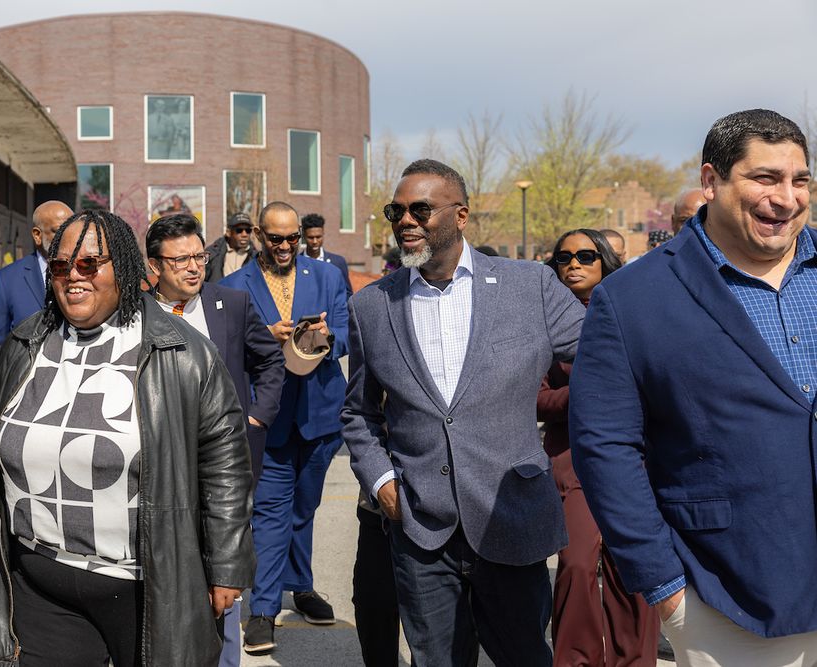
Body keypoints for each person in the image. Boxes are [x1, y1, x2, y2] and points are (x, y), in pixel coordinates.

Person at [569, 109, 817, 667]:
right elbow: (604, 446)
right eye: (765, 178)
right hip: (726, 596)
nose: (787, 197)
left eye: (799, 180)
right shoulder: (633, 298)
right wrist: (666, 587)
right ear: (711, 182)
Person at [0, 209, 255, 667]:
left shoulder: (183, 352)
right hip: (37, 580)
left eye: (90, 264)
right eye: (60, 266)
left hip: (144, 586)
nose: (73, 276)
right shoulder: (25, 343)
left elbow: (225, 466)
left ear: (127, 269)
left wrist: (226, 565)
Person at [342, 159, 586, 666]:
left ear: (462, 215)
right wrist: (382, 481)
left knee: (524, 656)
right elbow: (359, 414)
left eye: (421, 209)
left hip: (510, 515)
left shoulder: (531, 286)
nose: (405, 221)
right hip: (419, 527)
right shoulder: (371, 306)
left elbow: (606, 355)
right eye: (396, 211)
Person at [145, 213, 285, 667]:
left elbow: (269, 361)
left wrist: (258, 417)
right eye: (180, 259)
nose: (193, 267)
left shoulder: (233, 303)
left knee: (224, 567)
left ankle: (224, 658)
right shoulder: (134, 316)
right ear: (154, 267)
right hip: (160, 465)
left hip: (224, 464)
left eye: (199, 256)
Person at [220, 201, 349, 655]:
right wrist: (266, 337)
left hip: (321, 413)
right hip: (269, 416)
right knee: (272, 511)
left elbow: (347, 330)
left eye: (292, 238)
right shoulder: (234, 287)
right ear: (258, 234)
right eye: (276, 238)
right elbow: (228, 351)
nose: (286, 246)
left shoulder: (329, 275)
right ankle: (263, 610)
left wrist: (326, 339)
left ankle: (301, 584)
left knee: (305, 506)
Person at [539, 229, 658, 666]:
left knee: (635, 567)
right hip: (573, 463)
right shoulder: (543, 319)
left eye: (586, 255)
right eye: (563, 257)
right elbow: (537, 397)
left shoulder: (634, 312)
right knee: (575, 564)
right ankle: (575, 660)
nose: (573, 263)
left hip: (635, 461)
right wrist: (585, 392)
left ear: (605, 261)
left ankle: (634, 659)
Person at [0, 200, 73, 344]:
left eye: (72, 231)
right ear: (37, 235)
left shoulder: (84, 273)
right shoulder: (8, 280)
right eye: (59, 231)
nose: (68, 238)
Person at [301, 213, 354, 299]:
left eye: (318, 237)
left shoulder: (338, 262)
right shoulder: (295, 263)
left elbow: (347, 294)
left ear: (323, 234)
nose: (315, 241)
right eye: (311, 237)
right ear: (304, 236)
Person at [204, 212, 257, 282]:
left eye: (248, 231)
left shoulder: (256, 258)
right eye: (239, 230)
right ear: (228, 233)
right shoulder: (212, 255)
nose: (244, 234)